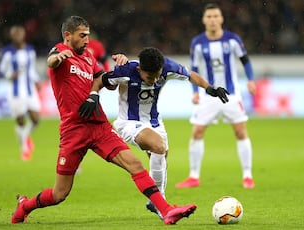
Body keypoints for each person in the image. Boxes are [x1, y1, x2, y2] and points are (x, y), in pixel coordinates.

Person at [11, 16, 196, 225]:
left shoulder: (89, 57)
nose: (87, 41)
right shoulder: (59, 52)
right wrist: (59, 56)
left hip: (99, 126)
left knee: (135, 164)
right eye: (82, 36)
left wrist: (120, 65)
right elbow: (51, 61)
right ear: (68, 36)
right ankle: (25, 206)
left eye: (88, 36)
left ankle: (166, 210)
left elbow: (106, 81)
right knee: (59, 193)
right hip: (73, 130)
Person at [78, 46, 229, 217]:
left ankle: (155, 202)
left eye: (158, 75)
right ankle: (161, 205)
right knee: (158, 146)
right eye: (150, 76)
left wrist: (210, 88)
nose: (155, 79)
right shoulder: (126, 71)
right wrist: (93, 95)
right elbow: (100, 81)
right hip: (128, 122)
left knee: (161, 159)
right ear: (140, 69)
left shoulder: (167, 67)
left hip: (155, 122)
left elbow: (190, 75)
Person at [175, 3, 257, 189]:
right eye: (209, 17)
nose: (212, 20)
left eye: (215, 16)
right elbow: (193, 70)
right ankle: (194, 176)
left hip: (232, 95)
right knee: (197, 132)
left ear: (221, 19)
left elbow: (245, 61)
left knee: (240, 131)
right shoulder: (197, 42)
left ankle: (247, 175)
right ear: (204, 20)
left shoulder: (232, 40)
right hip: (208, 96)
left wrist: (251, 80)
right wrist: (195, 92)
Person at [0, 25, 41, 161]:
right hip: (15, 92)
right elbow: (0, 70)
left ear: (23, 35)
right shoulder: (6, 52)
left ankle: (25, 137)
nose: (17, 37)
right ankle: (24, 149)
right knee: (20, 120)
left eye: (19, 34)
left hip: (29, 90)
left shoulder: (30, 50)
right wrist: (10, 74)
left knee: (35, 119)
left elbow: (31, 69)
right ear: (12, 36)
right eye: (15, 34)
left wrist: (37, 81)